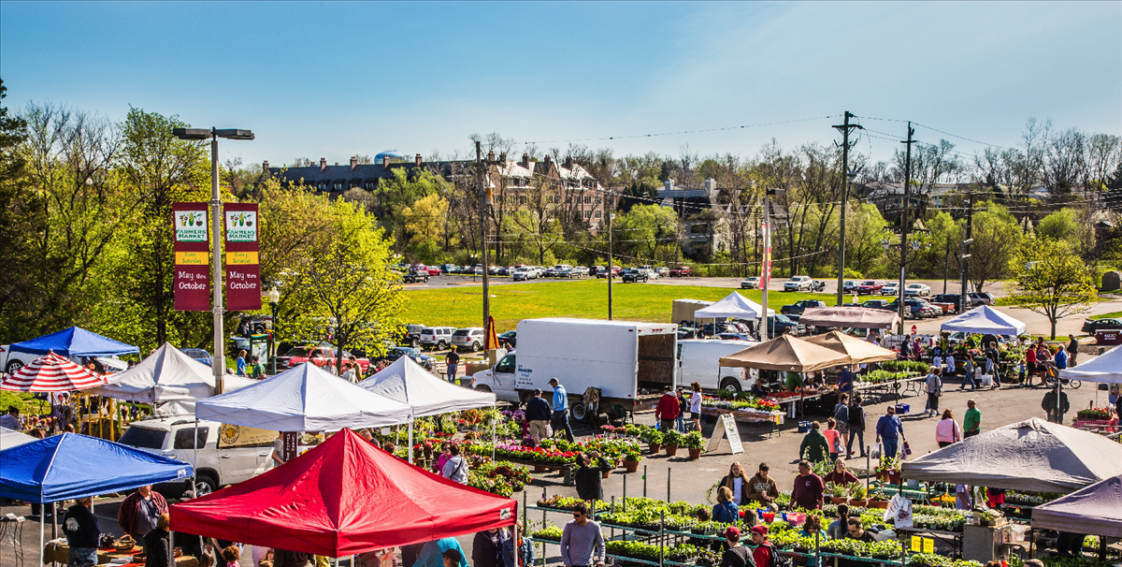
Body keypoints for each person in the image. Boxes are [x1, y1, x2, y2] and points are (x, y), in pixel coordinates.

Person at [560, 502, 605, 567]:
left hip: (588, 564)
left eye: (577, 515)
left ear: (585, 515)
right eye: (574, 515)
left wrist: (601, 560)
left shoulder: (595, 527)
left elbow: (601, 544)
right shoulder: (569, 526)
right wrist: (567, 562)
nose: (575, 517)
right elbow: (563, 544)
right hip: (573, 565)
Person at [62, 497, 100, 567]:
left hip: (73, 547)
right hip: (86, 549)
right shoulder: (89, 516)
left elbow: (65, 529)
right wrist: (96, 545)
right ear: (87, 501)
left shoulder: (69, 514)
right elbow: (94, 534)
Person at [549, 378, 575, 442]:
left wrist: (553, 407)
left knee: (553, 424)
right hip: (565, 409)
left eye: (552, 383)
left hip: (559, 410)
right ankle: (571, 439)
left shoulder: (557, 391)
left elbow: (557, 401)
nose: (551, 385)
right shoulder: (563, 389)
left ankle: (552, 439)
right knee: (566, 425)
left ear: (555, 383)